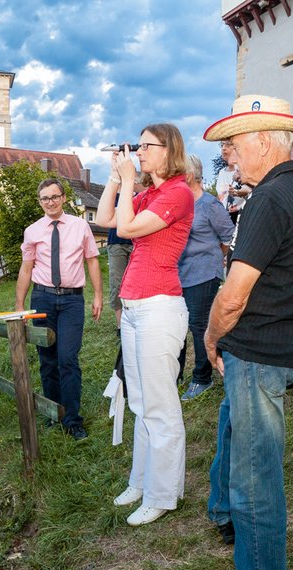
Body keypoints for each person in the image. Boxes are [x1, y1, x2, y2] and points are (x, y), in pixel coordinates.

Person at [202, 95, 293, 570]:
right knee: (233, 433)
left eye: (232, 144)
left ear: (262, 140)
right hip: (284, 347)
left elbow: (234, 295)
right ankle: (225, 516)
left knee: (256, 474)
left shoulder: (269, 200)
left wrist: (210, 337)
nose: (228, 155)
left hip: (258, 352)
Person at [97, 123, 193, 527]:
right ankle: (142, 480)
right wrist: (114, 178)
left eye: (146, 146)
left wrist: (129, 180)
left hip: (159, 306)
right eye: (137, 146)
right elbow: (106, 218)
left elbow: (127, 228)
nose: (139, 152)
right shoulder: (150, 192)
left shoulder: (178, 192)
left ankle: (163, 493)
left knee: (160, 406)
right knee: (139, 402)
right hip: (136, 307)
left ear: (168, 149)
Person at [15, 178, 103, 440]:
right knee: (48, 360)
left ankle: (73, 420)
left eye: (54, 197)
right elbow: (26, 268)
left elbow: (92, 261)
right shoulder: (32, 231)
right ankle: (54, 413)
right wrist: (20, 305)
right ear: (40, 201)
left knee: (67, 358)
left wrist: (97, 295)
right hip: (42, 299)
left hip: (72, 301)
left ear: (64, 198)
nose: (50, 202)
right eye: (45, 198)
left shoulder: (80, 227)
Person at [178, 154, 234, 401]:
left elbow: (229, 236)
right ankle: (175, 373)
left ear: (189, 176)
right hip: (180, 274)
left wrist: (213, 257)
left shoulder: (209, 205)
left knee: (198, 326)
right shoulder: (180, 204)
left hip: (203, 273)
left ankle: (203, 378)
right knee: (179, 325)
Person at [107, 226, 133, 332]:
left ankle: (135, 321)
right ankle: (120, 326)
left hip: (138, 240)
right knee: (117, 283)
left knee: (135, 284)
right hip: (116, 241)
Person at [217, 140, 250, 224]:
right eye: (222, 145)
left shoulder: (244, 170)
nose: (223, 148)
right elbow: (221, 198)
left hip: (243, 217)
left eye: (228, 144)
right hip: (225, 219)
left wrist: (243, 192)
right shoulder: (221, 172)